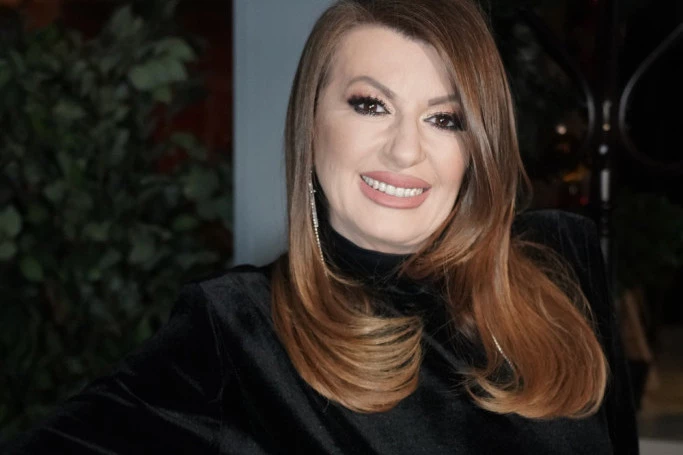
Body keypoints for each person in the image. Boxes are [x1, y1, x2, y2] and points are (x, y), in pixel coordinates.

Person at [3, 0, 638, 453]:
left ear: (478, 147)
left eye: (444, 119)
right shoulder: (237, 329)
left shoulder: (564, 258)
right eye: (371, 105)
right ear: (312, 124)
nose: (405, 150)